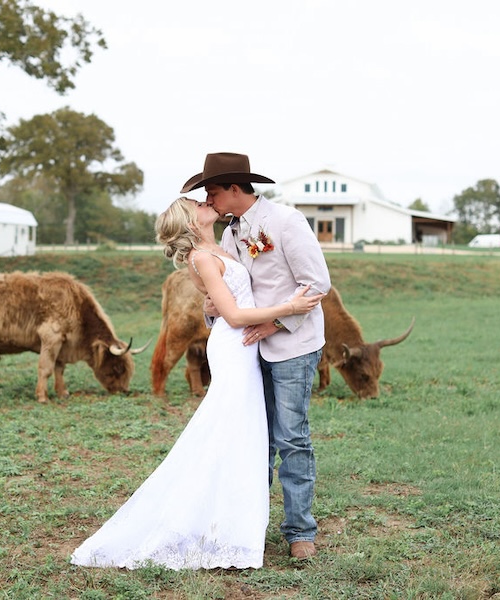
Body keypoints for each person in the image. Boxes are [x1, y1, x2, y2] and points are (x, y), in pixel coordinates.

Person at [70, 197, 322, 570]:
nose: (207, 202)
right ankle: (214, 521)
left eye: (208, 197)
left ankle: (237, 519)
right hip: (237, 347)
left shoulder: (222, 244)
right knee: (229, 434)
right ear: (190, 221)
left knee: (244, 436)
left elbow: (226, 299)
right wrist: (288, 309)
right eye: (198, 203)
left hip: (253, 347)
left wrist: (214, 307)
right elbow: (233, 315)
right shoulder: (202, 257)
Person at [180, 152, 331, 559]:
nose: (209, 199)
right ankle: (249, 525)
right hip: (246, 353)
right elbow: (228, 295)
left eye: (212, 190)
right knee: (253, 441)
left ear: (234, 188)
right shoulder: (229, 234)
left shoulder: (286, 221)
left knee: (292, 438)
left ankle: (300, 532)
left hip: (292, 347)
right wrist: (210, 312)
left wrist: (276, 324)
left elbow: (317, 284)